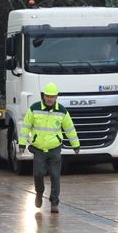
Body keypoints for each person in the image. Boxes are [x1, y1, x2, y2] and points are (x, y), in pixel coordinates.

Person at [19, 82, 80, 213]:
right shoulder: (34, 108)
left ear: (56, 97)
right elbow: (25, 127)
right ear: (43, 96)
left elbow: (69, 129)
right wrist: (22, 144)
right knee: (38, 173)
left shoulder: (62, 111)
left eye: (52, 96)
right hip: (39, 149)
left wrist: (76, 145)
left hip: (54, 148)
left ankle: (54, 202)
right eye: (47, 96)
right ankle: (39, 193)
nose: (49, 99)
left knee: (55, 175)